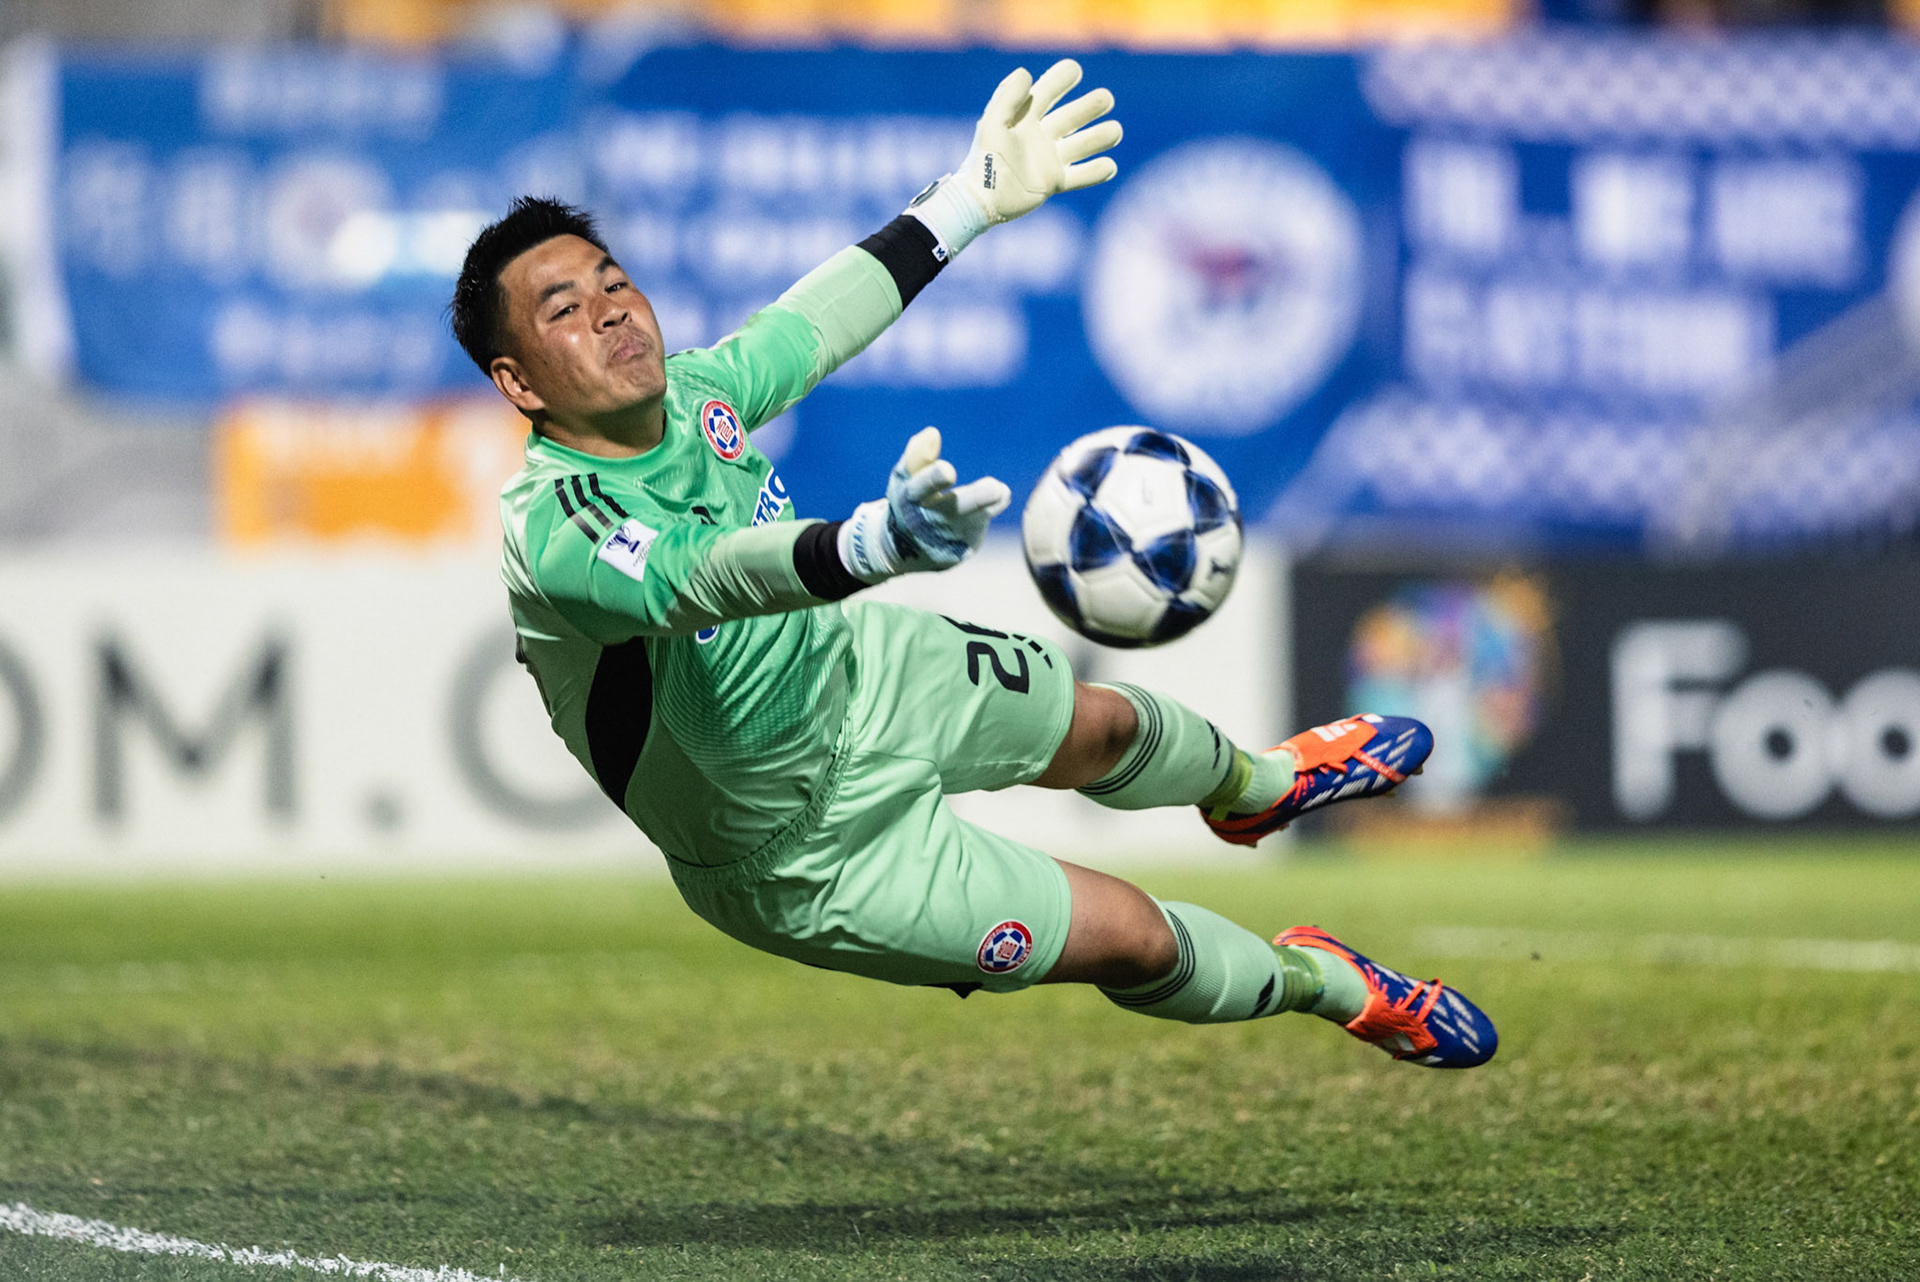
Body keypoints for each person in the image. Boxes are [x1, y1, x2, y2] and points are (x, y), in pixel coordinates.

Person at [450, 61, 1495, 1069]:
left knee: (1106, 724)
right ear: (518, 381)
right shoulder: (555, 532)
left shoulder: (698, 394)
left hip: (863, 678)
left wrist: (967, 200)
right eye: (564, 310)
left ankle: (1261, 786)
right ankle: (1328, 983)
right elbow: (700, 575)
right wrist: (868, 544)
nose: (612, 311)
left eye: (613, 282)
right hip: (803, 856)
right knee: (1133, 937)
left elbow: (810, 324)